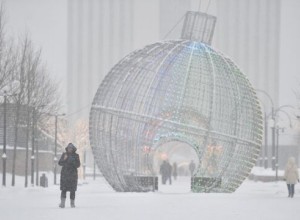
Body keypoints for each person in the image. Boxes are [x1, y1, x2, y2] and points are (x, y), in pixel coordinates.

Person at [58, 143, 81, 208]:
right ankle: (62, 203)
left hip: (72, 175)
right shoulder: (64, 154)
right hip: (64, 175)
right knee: (63, 189)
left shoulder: (76, 155)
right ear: (67, 148)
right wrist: (64, 159)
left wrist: (73, 162)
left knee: (72, 190)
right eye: (68, 148)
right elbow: (60, 163)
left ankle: (72, 203)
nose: (69, 149)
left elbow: (78, 165)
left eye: (71, 148)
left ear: (73, 149)